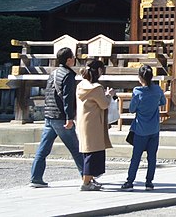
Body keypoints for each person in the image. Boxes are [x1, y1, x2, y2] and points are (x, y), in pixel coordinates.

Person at [28, 47, 84, 188]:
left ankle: (36, 177)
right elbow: (67, 98)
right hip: (61, 116)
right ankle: (86, 177)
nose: (74, 59)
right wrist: (69, 117)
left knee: (43, 148)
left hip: (49, 115)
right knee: (76, 148)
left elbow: (49, 93)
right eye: (72, 57)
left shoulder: (53, 73)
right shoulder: (68, 75)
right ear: (69, 59)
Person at [121, 64, 164, 190]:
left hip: (141, 128)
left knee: (136, 156)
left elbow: (132, 109)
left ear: (140, 77)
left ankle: (130, 181)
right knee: (152, 157)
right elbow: (163, 102)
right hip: (154, 127)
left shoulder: (137, 91)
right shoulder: (157, 90)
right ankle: (149, 182)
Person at [76, 58, 114, 191]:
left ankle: (89, 180)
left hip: (83, 121)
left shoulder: (81, 85)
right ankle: (86, 183)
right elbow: (104, 104)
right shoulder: (97, 88)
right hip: (94, 123)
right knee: (93, 153)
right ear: (98, 71)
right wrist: (108, 95)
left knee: (87, 151)